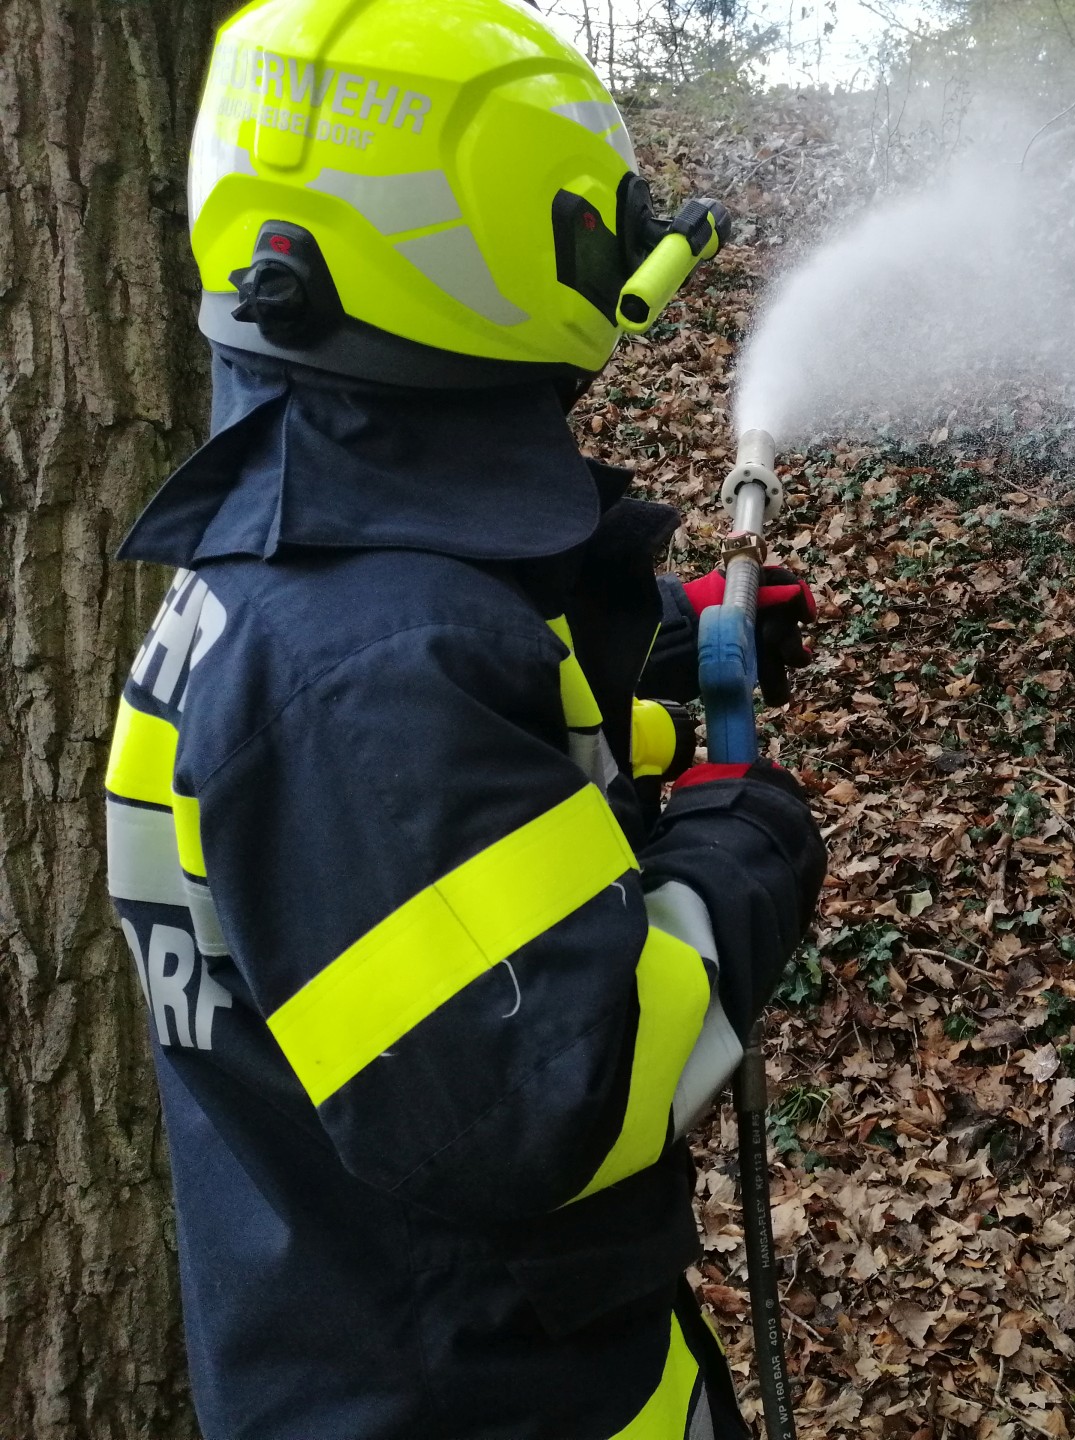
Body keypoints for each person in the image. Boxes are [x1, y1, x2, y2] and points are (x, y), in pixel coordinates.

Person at [101, 2, 824, 1436]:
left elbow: (456, 832)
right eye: (593, 225)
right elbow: (562, 1091)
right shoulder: (368, 672)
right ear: (481, 245)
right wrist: (743, 854)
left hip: (398, 1340)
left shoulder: (307, 575)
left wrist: (666, 648)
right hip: (482, 1393)